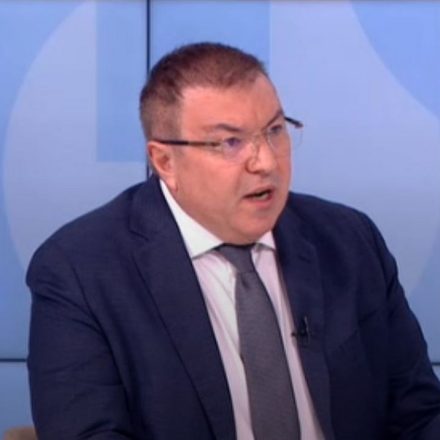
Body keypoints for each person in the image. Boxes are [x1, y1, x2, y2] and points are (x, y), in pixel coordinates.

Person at [27, 42, 440, 440]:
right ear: (164, 161)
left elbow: (418, 414)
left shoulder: (349, 241)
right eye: (230, 143)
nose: (266, 162)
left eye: (275, 130)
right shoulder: (80, 272)